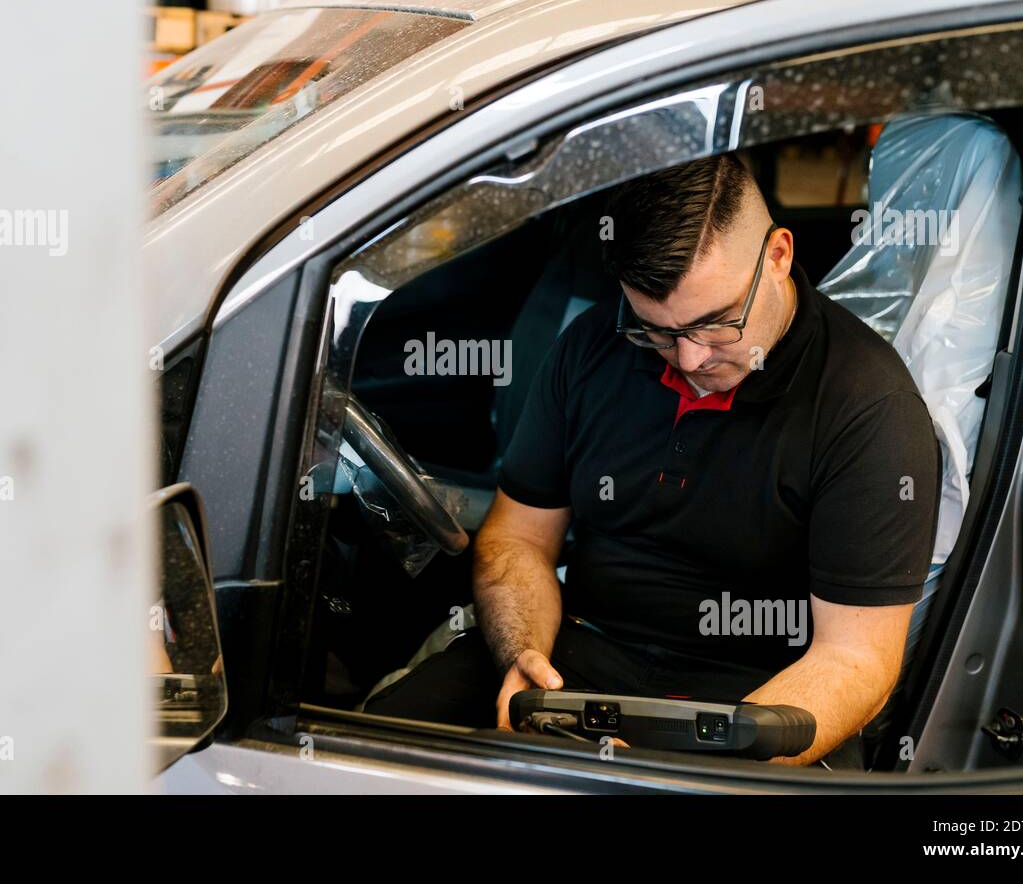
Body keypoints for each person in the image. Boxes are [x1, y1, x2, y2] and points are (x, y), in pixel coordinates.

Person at [364, 154, 941, 768]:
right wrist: (524, 655)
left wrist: (713, 763)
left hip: (752, 698)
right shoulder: (592, 345)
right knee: (365, 761)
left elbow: (855, 661)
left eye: (717, 325)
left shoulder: (868, 405)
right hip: (573, 658)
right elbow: (519, 537)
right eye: (657, 331)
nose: (689, 359)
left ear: (778, 255)